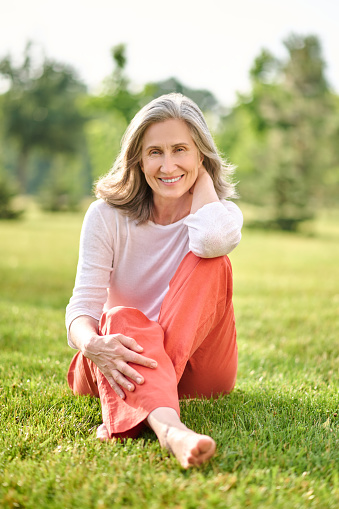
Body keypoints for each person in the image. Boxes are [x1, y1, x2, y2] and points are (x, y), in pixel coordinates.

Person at [66, 93, 243, 468]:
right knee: (122, 318)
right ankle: (171, 430)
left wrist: (205, 178)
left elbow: (211, 243)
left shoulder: (219, 217)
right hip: (117, 361)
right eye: (155, 152)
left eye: (181, 149)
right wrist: (92, 344)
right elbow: (82, 309)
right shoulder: (106, 216)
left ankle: (133, 410)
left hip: (197, 372)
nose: (168, 165)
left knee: (214, 262)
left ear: (201, 155)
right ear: (138, 159)